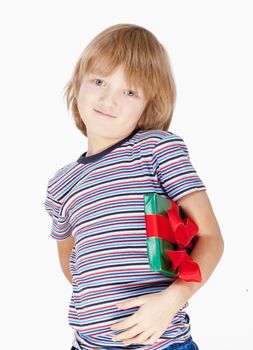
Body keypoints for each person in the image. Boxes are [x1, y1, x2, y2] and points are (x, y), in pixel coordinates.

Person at [44, 23, 224, 350]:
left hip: (163, 344)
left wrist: (171, 300)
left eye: (129, 92)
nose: (107, 99)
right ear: (77, 84)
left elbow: (211, 237)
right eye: (99, 81)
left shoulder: (156, 149)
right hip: (86, 345)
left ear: (148, 105)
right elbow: (72, 261)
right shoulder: (61, 183)